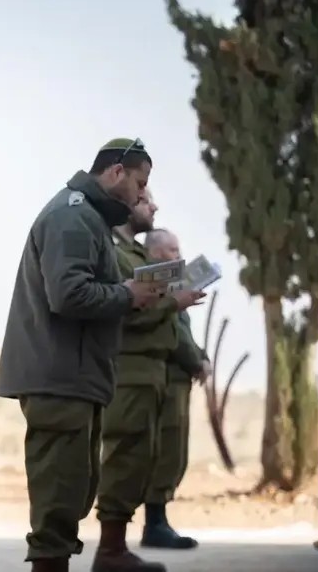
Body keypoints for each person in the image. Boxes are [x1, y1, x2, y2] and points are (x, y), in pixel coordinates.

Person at [0, 138, 166, 572]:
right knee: (58, 499)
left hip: (74, 378)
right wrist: (127, 294)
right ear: (116, 172)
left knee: (71, 493)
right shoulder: (72, 216)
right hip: (59, 378)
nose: (142, 196)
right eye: (139, 183)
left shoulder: (88, 217)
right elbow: (69, 294)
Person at [93, 190, 206, 572]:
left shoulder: (135, 255)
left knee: (143, 458)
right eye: (143, 196)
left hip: (152, 371)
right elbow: (124, 311)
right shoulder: (114, 253)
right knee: (125, 455)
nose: (153, 206)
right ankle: (110, 550)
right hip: (131, 370)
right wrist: (173, 302)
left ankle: (117, 547)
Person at [141, 228, 210, 549]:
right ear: (155, 253)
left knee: (172, 449)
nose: (179, 257)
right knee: (166, 449)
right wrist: (197, 361)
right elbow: (174, 333)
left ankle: (157, 521)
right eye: (172, 250)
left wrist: (200, 355)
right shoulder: (156, 286)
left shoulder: (169, 286)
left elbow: (183, 331)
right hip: (166, 376)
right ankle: (154, 524)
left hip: (175, 378)